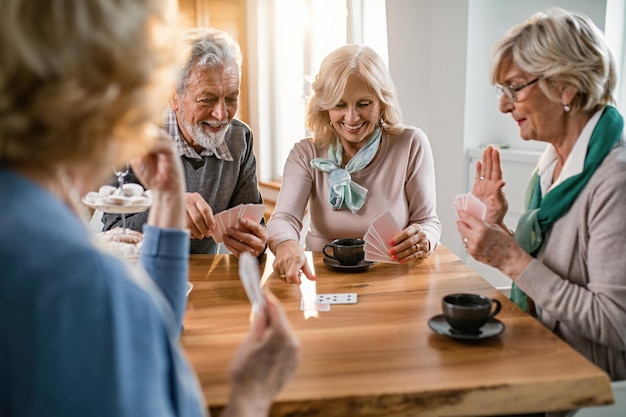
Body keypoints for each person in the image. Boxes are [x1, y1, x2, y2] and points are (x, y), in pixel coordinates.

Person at [0, 0, 298, 416]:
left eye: (231, 98)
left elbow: (159, 321)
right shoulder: (95, 287)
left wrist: (243, 232)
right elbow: (118, 280)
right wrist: (250, 395)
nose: (222, 113)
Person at [456, 7, 626, 388]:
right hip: (544, 358)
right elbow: (554, 275)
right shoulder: (551, 165)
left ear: (566, 85)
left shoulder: (616, 181)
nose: (503, 104)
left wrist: (512, 260)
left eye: (515, 87)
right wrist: (497, 232)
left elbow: (617, 323)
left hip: (591, 389)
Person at [267, 45, 442, 284]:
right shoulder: (305, 152)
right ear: (325, 107)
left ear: (382, 102)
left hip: (393, 276)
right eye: (340, 105)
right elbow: (284, 218)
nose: (351, 118)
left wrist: (425, 238)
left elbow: (428, 222)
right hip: (322, 279)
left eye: (364, 104)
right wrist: (286, 244)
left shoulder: (411, 144)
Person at [102, 27, 267, 258]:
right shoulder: (135, 138)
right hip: (142, 276)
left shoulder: (240, 139)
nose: (221, 114)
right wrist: (168, 209)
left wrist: (257, 243)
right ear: (174, 97)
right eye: (207, 99)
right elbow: (113, 233)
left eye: (231, 98)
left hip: (204, 279)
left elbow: (254, 225)